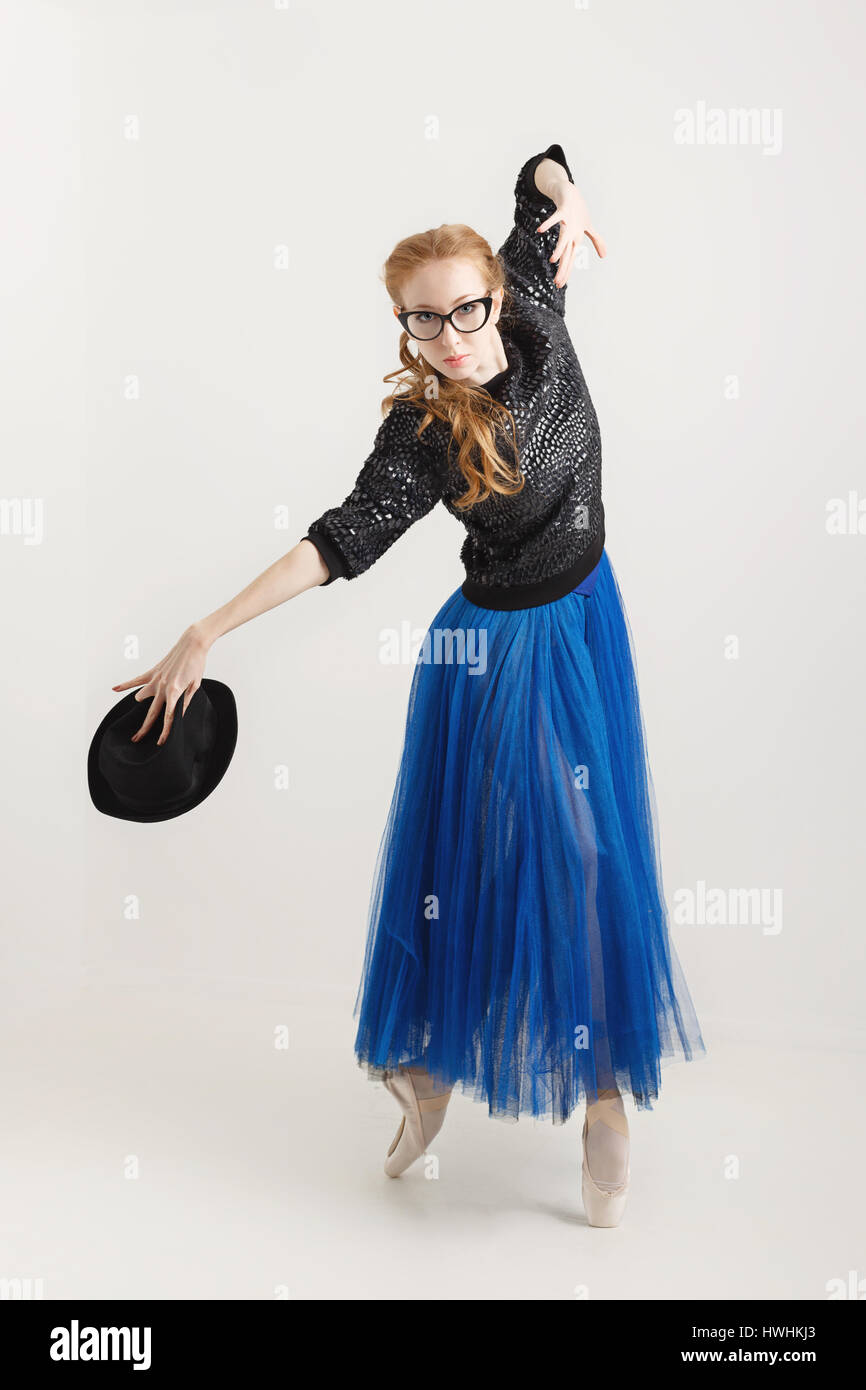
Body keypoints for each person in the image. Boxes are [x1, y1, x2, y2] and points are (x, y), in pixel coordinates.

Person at [112, 143, 705, 1227]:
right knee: (491, 856)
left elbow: (541, 162)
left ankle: (604, 1092)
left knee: (587, 846)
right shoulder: (425, 430)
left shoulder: (531, 291)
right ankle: (429, 1075)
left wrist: (568, 201)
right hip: (494, 654)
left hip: (585, 615)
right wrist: (207, 625)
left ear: (497, 288)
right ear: (403, 328)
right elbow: (336, 543)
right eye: (421, 323)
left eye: (463, 311)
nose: (449, 339)